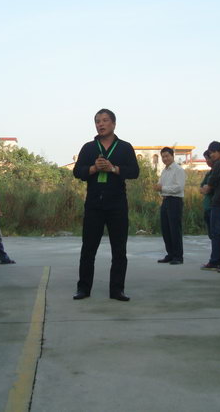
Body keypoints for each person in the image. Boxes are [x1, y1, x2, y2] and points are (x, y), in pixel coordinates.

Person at [72, 109, 139, 301]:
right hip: (94, 204)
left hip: (117, 204)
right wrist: (94, 168)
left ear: (113, 123)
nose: (100, 124)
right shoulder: (88, 148)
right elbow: (77, 172)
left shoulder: (125, 147)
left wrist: (113, 168)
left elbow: (134, 172)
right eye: (97, 121)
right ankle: (83, 288)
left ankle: (117, 290)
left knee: (119, 249)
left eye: (104, 120)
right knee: (88, 248)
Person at [201, 141, 220, 269]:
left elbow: (208, 186)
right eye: (210, 152)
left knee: (216, 233)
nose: (211, 155)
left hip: (218, 202)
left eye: (213, 152)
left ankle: (215, 261)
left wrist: (206, 188)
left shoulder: (219, 164)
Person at [155, 147, 186, 265]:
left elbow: (179, 187)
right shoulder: (164, 171)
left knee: (174, 229)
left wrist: (163, 188)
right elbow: (161, 185)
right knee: (166, 229)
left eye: (167, 156)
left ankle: (178, 256)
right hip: (165, 200)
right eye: (163, 156)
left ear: (173, 156)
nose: (165, 159)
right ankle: (170, 254)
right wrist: (159, 187)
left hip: (175, 201)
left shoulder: (178, 170)